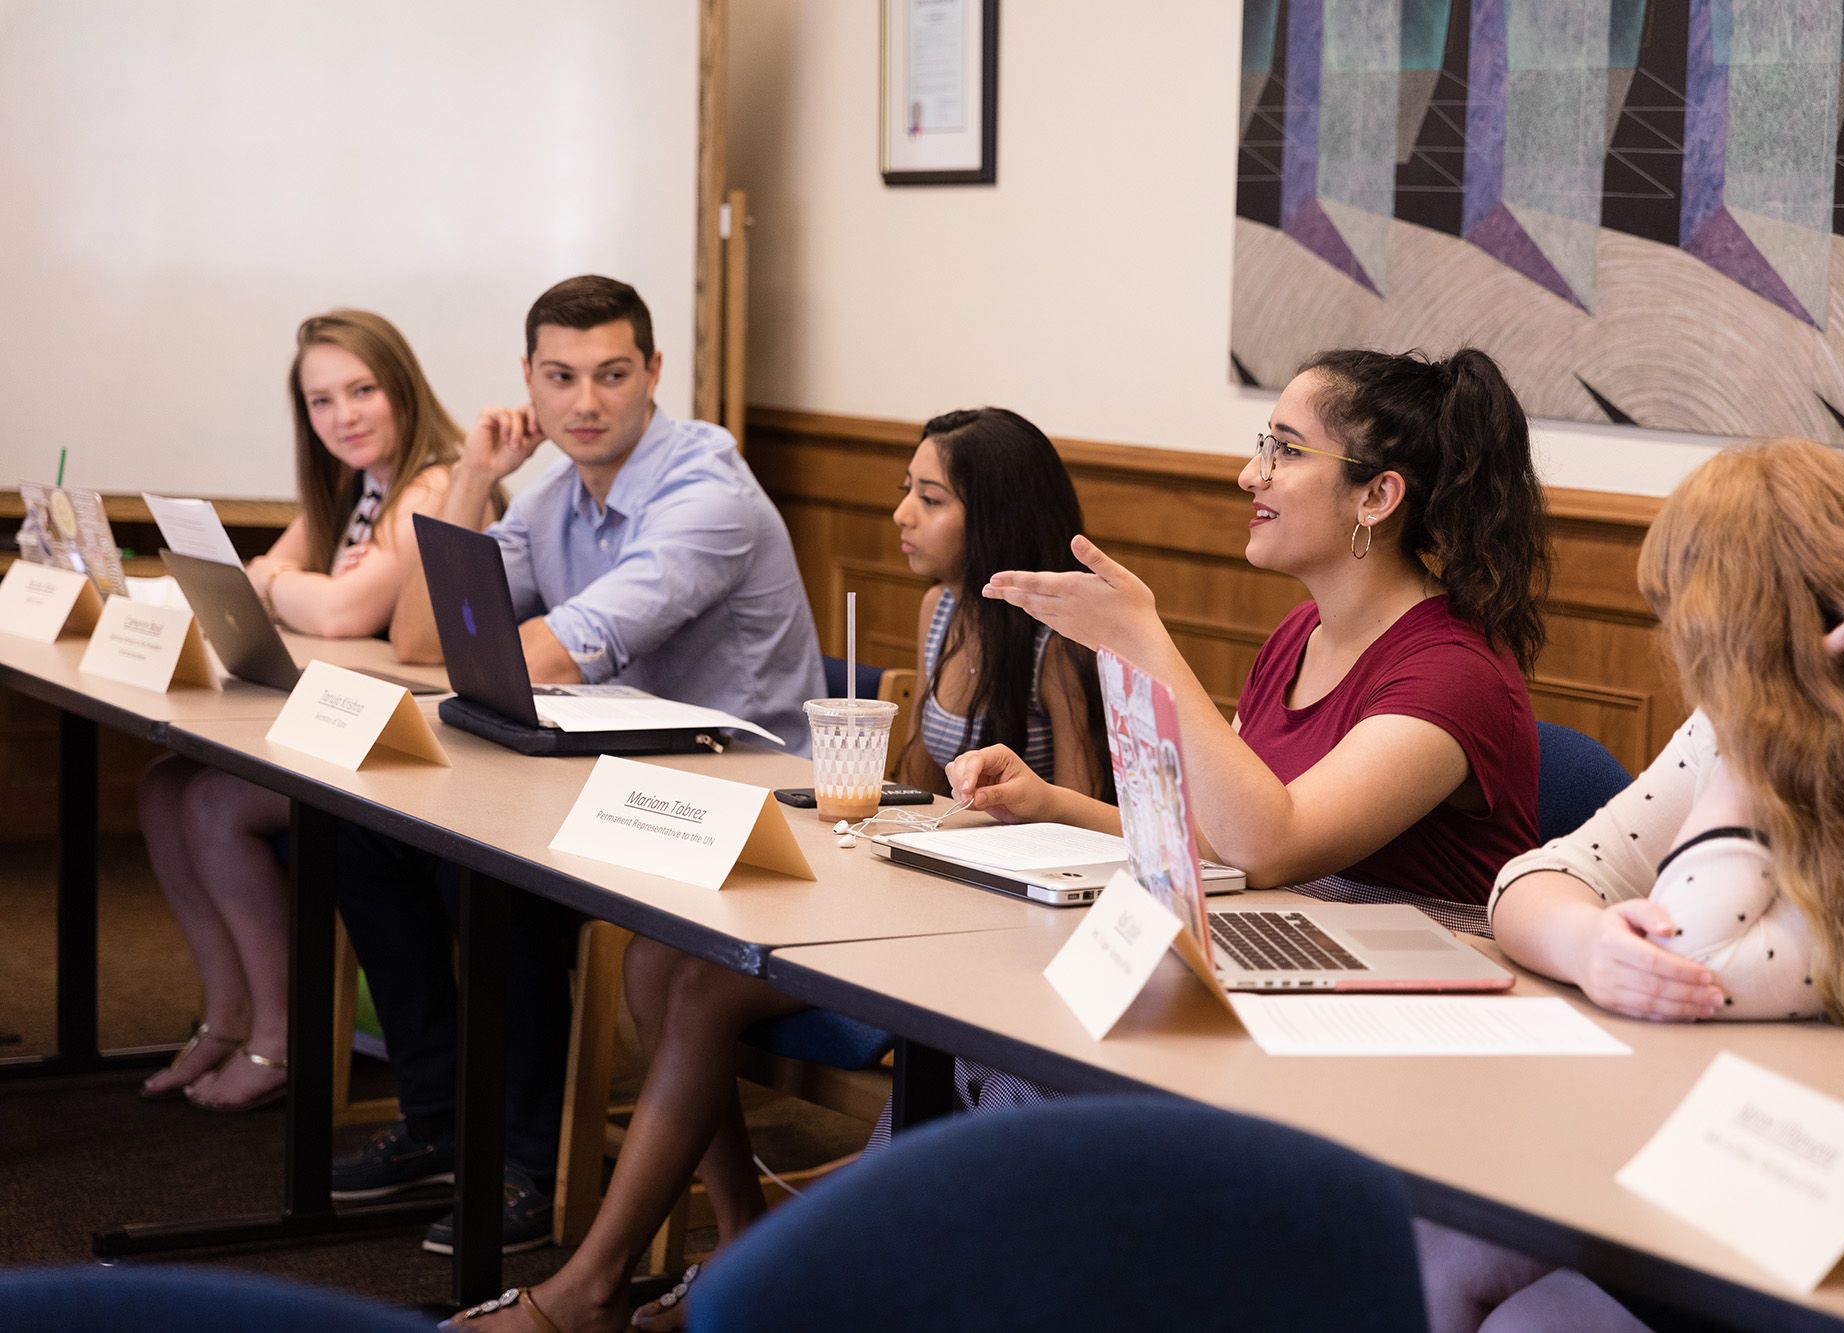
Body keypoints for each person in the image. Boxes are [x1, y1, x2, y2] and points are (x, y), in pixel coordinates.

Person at [445, 408, 1112, 1331]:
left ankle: (590, 1287)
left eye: (928, 497)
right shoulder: (940, 609)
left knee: (705, 991)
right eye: (901, 491)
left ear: (993, 514)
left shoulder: (1057, 641)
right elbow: (913, 793)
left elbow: (1089, 837)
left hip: (996, 938)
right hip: (917, 895)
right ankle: (740, 1241)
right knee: (652, 956)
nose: (900, 517)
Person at [331, 276, 822, 1257]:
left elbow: (554, 651)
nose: (585, 403)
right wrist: (473, 478)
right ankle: (438, 1112)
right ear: (527, 381)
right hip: (619, 783)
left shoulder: (704, 492)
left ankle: (527, 1161)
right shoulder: (557, 495)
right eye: (560, 378)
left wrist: (482, 653)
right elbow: (423, 634)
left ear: (652, 373)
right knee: (364, 832)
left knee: (494, 872)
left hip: (745, 817)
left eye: (609, 375)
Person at [953, 348, 1551, 934]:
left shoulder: (1456, 672)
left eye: (1286, 450)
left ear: (1376, 497)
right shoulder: (1298, 635)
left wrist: (1142, 642)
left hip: (1431, 984)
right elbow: (1224, 840)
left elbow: (1269, 849)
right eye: (1263, 445)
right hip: (1298, 940)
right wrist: (1050, 805)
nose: (1250, 475)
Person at [1491, 438, 1844, 1040]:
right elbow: (1535, 878)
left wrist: (1750, 751)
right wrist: (1584, 943)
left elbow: (1691, 970)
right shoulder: (1723, 726)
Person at [135, 309, 470, 1110]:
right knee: (161, 788)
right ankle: (228, 1017)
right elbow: (269, 574)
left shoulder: (439, 483)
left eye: (363, 390)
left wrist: (291, 587)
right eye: (322, 401)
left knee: (215, 803)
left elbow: (343, 612)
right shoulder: (355, 487)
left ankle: (281, 1038)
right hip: (346, 732)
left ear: (405, 389)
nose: (344, 415)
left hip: (417, 758)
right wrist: (293, 585)